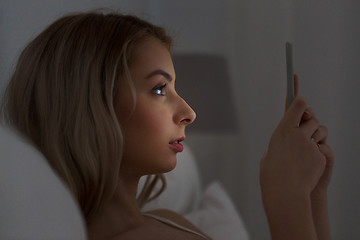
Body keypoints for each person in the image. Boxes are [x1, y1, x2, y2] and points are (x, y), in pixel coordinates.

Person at [0, 11, 334, 240]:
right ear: (90, 105)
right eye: (159, 89)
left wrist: (311, 195)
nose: (189, 112)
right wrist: (284, 197)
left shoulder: (165, 221)